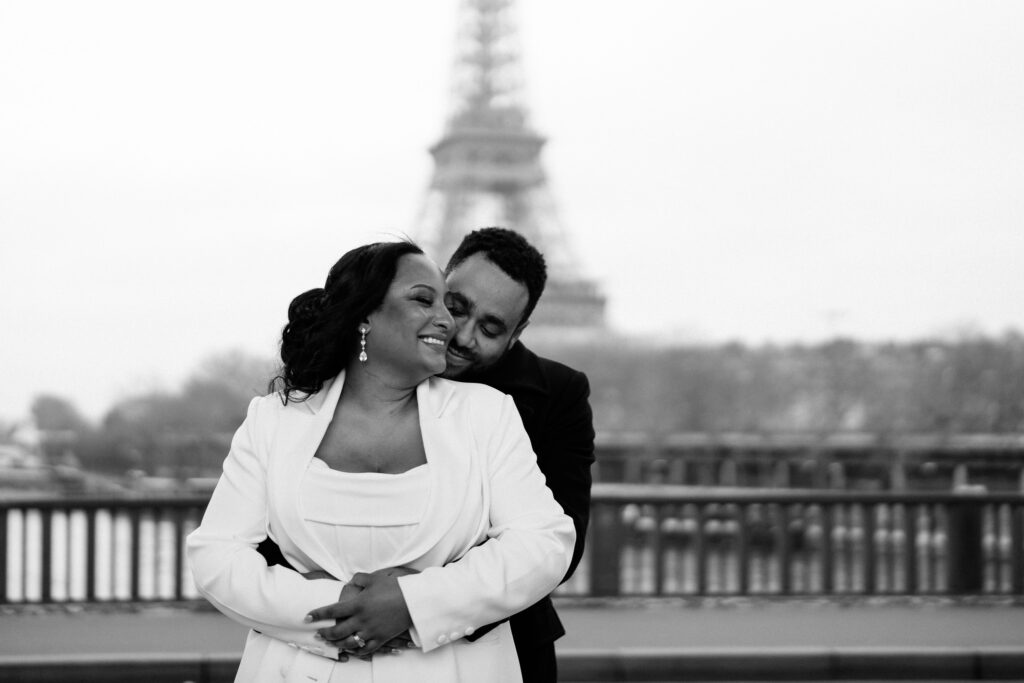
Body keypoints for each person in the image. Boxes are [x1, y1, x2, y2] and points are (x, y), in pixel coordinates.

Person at [187, 240, 575, 683]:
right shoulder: (275, 418)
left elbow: (545, 542)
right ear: (365, 314)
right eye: (425, 299)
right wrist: (337, 614)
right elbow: (216, 555)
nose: (448, 322)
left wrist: (413, 604)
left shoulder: (487, 412)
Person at [440, 227, 595, 682]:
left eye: (490, 327)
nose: (463, 336)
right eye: (456, 308)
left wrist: (415, 602)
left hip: (502, 639)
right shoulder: (375, 372)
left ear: (517, 333)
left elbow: (561, 543)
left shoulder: (559, 394)